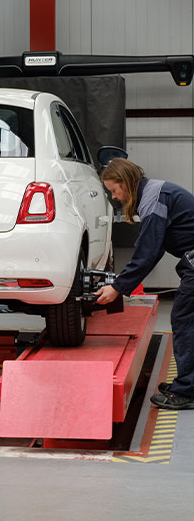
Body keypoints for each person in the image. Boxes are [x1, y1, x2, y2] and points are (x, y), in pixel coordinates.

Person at [95, 157, 194, 410]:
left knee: (184, 320)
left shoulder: (153, 198)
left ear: (126, 183)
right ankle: (188, 383)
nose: (115, 198)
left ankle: (187, 391)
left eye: (114, 191)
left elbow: (148, 250)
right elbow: (155, 248)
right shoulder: (157, 192)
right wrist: (123, 280)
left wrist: (119, 287)